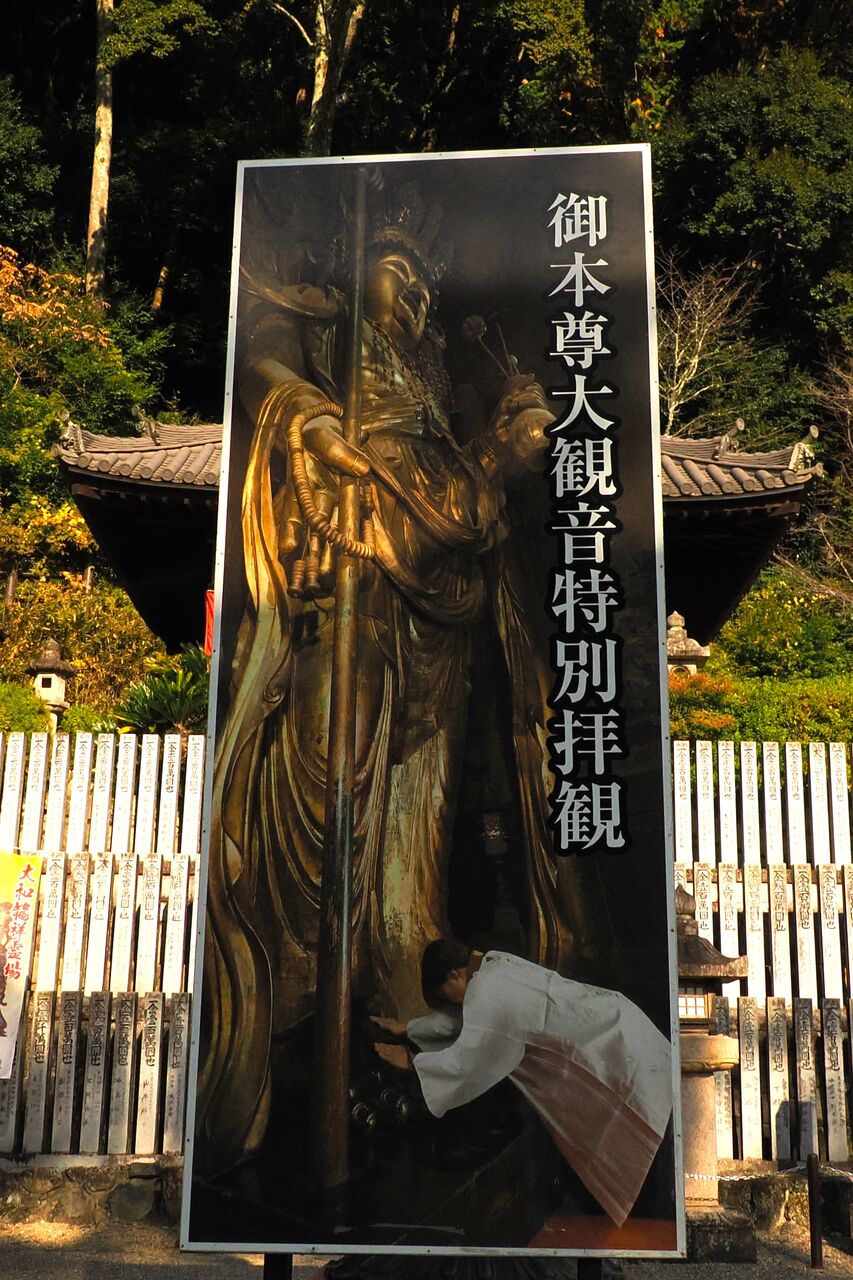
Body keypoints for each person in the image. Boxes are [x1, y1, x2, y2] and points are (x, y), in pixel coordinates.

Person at [197, 180, 575, 1173]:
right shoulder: (325, 333)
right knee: (333, 774)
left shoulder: (433, 373)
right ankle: (305, 987)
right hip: (352, 582)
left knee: (420, 803)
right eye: (396, 272)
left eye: (422, 285)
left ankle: (401, 965)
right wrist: (313, 422)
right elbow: (263, 363)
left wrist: (497, 449)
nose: (410, 296)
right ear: (356, 269)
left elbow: (469, 486)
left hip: (433, 599)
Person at [371, 939, 673, 1229]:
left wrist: (413, 1062)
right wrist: (409, 1028)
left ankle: (652, 1218)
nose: (451, 1004)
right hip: (619, 1024)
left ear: (454, 974)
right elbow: (467, 1017)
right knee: (654, 1116)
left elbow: (470, 1057)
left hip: (611, 1049)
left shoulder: (486, 990)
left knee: (644, 1129)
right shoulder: (492, 963)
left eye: (446, 996)